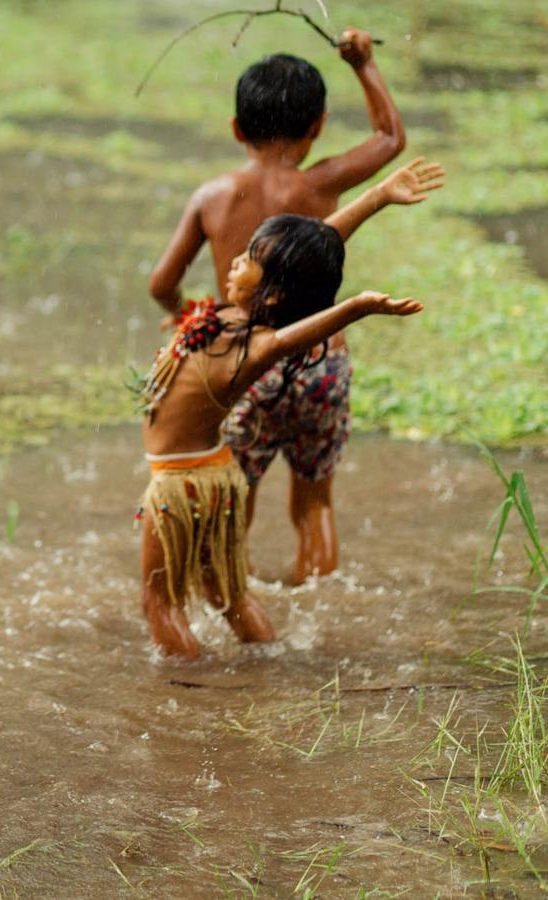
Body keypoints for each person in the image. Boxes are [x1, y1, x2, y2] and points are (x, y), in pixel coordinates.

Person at [147, 29, 405, 583]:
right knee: (314, 502)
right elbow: (389, 138)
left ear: (237, 128)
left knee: (235, 494)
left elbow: (161, 282)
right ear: (318, 126)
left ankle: (239, 607)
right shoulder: (322, 182)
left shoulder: (212, 197)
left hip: (248, 367)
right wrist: (364, 65)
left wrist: (187, 311)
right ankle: (317, 607)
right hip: (321, 363)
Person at [137, 211, 424, 659]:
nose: (234, 261)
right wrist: (377, 196)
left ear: (274, 292)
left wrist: (355, 308)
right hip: (212, 474)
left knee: (158, 602)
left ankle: (186, 693)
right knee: (226, 594)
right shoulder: (232, 318)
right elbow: (309, 250)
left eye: (249, 259)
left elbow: (292, 336)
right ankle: (266, 664)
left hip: (181, 484)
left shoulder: (256, 347)